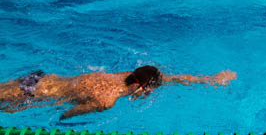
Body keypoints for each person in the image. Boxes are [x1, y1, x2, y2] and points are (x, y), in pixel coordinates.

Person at [0, 66, 237, 120]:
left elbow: (169, 78)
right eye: (149, 92)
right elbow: (65, 115)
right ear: (140, 87)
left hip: (39, 78)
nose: (148, 96)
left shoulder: (123, 74)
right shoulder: (107, 101)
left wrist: (210, 80)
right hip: (27, 94)